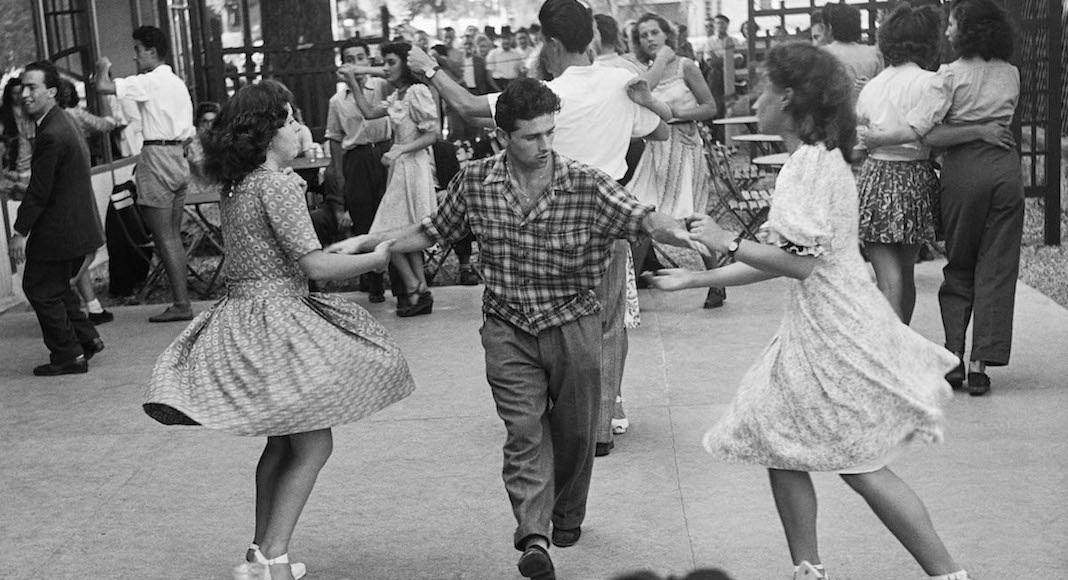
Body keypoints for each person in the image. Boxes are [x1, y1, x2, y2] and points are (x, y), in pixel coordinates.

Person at [327, 77, 693, 580]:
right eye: (531, 136)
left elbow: (645, 219)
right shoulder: (476, 181)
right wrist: (375, 242)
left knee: (576, 434)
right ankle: (534, 536)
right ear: (502, 137)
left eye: (550, 133)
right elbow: (433, 229)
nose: (545, 146)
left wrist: (684, 232)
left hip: (574, 323)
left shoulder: (586, 183)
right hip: (508, 327)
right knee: (523, 432)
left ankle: (566, 516)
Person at [648, 42, 970, 580]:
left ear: (789, 96)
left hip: (834, 331)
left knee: (861, 466)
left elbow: (795, 265)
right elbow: (790, 261)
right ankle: (809, 569)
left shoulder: (809, 165)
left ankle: (947, 574)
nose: (756, 96)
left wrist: (726, 242)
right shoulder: (815, 160)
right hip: (822, 325)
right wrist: (698, 277)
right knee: (779, 439)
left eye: (764, 86)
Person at [143, 81, 415, 580]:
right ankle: (276, 557)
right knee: (314, 444)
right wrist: (376, 257)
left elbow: (283, 258)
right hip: (281, 323)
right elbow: (310, 265)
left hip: (247, 318)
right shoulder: (279, 185)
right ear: (268, 134)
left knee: (283, 443)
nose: (299, 129)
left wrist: (336, 253)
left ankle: (258, 553)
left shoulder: (239, 185)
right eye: (290, 121)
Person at [406, 0, 672, 459]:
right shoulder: (620, 83)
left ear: (551, 42)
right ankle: (600, 423)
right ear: (591, 35)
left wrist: (430, 69)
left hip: (547, 217)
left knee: (549, 326)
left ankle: (560, 418)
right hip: (609, 217)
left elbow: (470, 106)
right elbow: (661, 132)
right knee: (607, 324)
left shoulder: (546, 97)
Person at [860, 0, 1022, 397]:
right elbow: (999, 123)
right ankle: (982, 363)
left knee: (960, 262)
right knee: (997, 266)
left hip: (959, 173)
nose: (948, 32)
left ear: (967, 31)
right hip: (1004, 169)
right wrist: (986, 128)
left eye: (952, 24)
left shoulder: (947, 76)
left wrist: (971, 130)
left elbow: (926, 134)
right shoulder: (1011, 73)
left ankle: (950, 355)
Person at [8, 61, 105, 376]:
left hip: (60, 229)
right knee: (57, 287)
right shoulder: (61, 122)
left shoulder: (51, 132)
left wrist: (19, 232)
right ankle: (86, 338)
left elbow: (39, 191)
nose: (24, 94)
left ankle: (68, 355)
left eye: (32, 87)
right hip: (75, 226)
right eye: (22, 87)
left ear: (51, 91)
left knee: (39, 288)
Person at [95, 25, 196, 323]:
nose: (136, 57)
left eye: (138, 50)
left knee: (164, 237)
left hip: (157, 155)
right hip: (178, 155)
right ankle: (183, 300)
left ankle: (181, 303)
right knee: (172, 236)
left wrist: (103, 67)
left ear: (152, 51)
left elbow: (102, 86)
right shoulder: (177, 83)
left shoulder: (151, 81)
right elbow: (188, 131)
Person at [626, 13, 726, 311]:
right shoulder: (644, 73)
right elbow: (642, 97)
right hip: (656, 149)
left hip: (684, 147)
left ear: (666, 34)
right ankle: (627, 289)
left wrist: (674, 115)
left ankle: (716, 280)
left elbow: (710, 107)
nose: (651, 39)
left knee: (694, 216)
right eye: (644, 35)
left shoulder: (686, 66)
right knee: (642, 212)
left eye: (655, 32)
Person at [853, 5, 943, 324]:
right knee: (905, 270)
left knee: (886, 276)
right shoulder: (931, 82)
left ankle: (890, 348)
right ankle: (900, 340)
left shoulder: (873, 86)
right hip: (915, 176)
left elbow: (861, 130)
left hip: (877, 174)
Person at [344, 42, 440, 317]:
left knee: (388, 231)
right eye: (383, 63)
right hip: (399, 167)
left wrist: (401, 149)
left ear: (405, 65)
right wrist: (353, 80)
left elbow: (432, 134)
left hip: (413, 165)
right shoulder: (399, 95)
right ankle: (419, 289)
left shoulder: (418, 92)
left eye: (390, 62)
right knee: (401, 228)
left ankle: (414, 287)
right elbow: (368, 112)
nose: (385, 68)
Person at [314, 39, 394, 302]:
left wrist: (369, 72)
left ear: (369, 61)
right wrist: (339, 172)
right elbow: (335, 138)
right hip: (357, 157)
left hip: (383, 151)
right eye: (350, 58)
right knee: (363, 216)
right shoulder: (337, 101)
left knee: (390, 213)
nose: (356, 63)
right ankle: (373, 281)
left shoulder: (382, 87)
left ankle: (398, 278)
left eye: (361, 57)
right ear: (342, 64)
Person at [55, 78, 120, 325]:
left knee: (76, 250)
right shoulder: (74, 114)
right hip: (79, 184)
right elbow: (104, 125)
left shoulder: (48, 120)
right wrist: (115, 115)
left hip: (63, 187)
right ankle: (59, 290)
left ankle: (93, 307)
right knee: (90, 246)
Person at [819, 3, 884, 97]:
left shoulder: (822, 55)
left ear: (831, 27)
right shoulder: (874, 54)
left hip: (836, 110)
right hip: (866, 108)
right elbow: (882, 89)